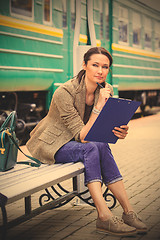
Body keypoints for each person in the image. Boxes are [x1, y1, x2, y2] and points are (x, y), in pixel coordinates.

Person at [26, 47, 147, 236]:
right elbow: (83, 136)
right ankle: (104, 217)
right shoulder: (64, 92)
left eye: (105, 67)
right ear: (84, 65)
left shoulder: (105, 90)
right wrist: (98, 107)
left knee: (101, 144)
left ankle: (128, 212)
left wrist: (119, 131)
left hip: (78, 139)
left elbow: (99, 130)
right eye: (95, 65)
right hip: (52, 143)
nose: (100, 71)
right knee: (91, 147)